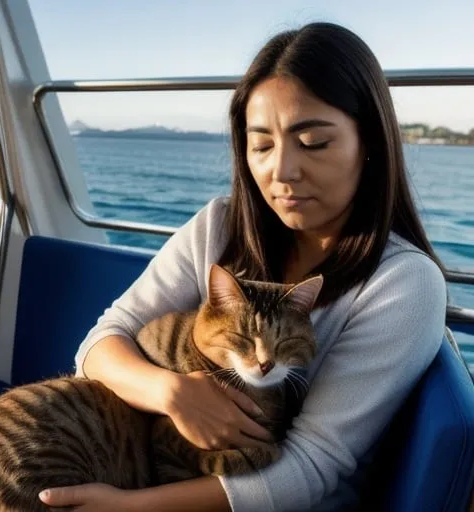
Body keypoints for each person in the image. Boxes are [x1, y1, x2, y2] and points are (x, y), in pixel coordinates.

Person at [39, 21, 447, 511]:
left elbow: (312, 467)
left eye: (313, 142)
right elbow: (102, 343)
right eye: (261, 145)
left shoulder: (404, 283)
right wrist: (172, 392)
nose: (282, 171)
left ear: (371, 143)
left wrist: (130, 508)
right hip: (155, 472)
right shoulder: (220, 225)